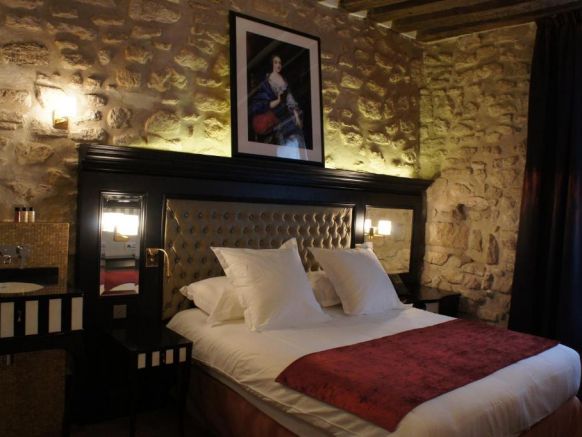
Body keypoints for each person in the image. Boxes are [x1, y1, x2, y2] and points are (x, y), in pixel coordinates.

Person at [249, 54, 306, 150]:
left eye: (279, 62)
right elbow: (260, 103)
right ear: (272, 64)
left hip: (288, 115)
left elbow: (289, 98)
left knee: (297, 138)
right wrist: (277, 101)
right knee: (285, 141)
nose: (278, 65)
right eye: (275, 62)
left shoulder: (284, 80)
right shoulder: (266, 81)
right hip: (278, 116)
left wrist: (296, 113)